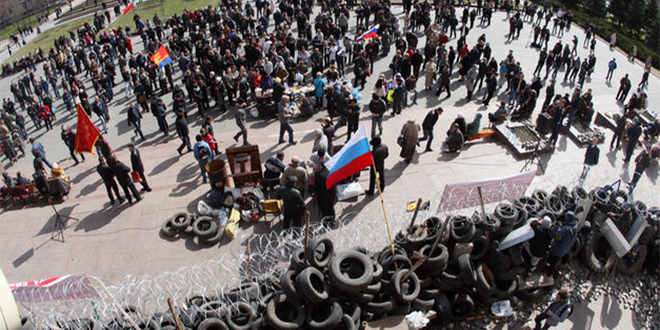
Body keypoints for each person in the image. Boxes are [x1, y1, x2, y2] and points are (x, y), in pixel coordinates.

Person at [312, 150, 336, 221]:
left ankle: (325, 221)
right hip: (331, 194)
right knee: (330, 208)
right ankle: (332, 220)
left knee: (324, 209)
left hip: (322, 195)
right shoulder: (330, 173)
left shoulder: (318, 175)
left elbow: (316, 186)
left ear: (321, 167)